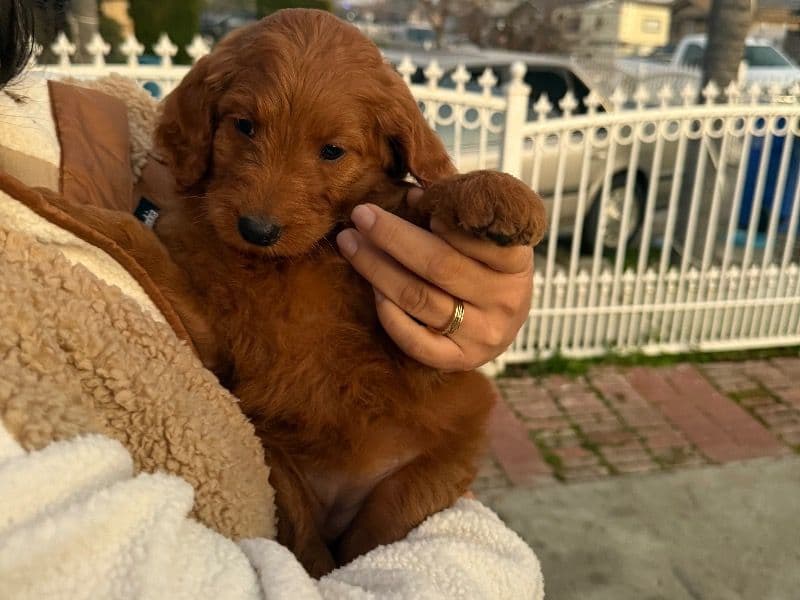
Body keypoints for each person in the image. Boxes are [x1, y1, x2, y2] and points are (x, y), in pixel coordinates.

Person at [0, 1, 543, 597]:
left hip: (408, 458)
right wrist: (118, 233)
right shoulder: (187, 214)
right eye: (245, 128)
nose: (263, 209)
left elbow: (435, 191)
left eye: (331, 152)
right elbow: (192, 321)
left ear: (392, 147)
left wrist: (473, 224)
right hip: (275, 465)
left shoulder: (101, 121)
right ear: (208, 118)